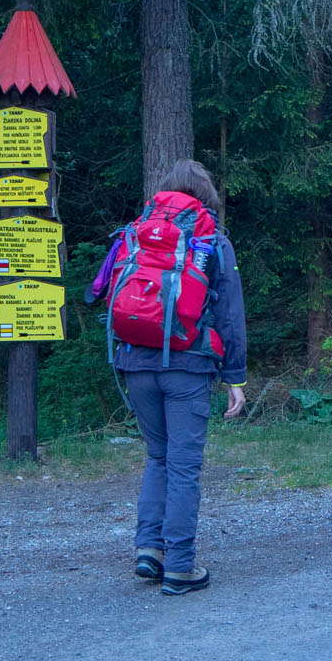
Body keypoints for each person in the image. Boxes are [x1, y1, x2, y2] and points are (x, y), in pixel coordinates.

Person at [91, 160, 247, 595]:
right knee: (183, 467)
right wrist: (236, 377)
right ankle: (180, 566)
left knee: (158, 458)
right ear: (208, 195)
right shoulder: (211, 240)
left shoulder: (136, 233)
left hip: (136, 363)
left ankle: (149, 551)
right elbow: (230, 315)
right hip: (188, 367)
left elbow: (100, 290)